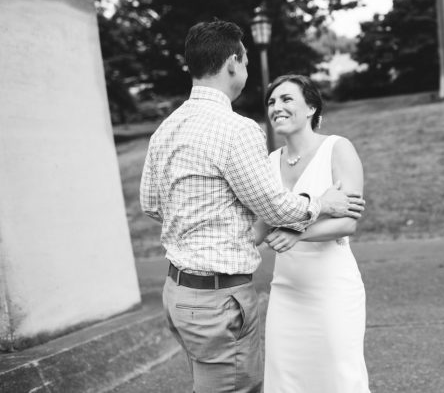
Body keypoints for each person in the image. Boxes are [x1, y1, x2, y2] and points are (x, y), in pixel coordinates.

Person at [139, 21, 365, 393]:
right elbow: (274, 209)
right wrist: (321, 203)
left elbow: (151, 204)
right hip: (219, 299)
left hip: (178, 294)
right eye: (244, 62)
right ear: (233, 63)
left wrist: (202, 222)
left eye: (286, 99)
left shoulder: (166, 128)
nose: (274, 105)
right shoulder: (237, 129)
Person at [253, 74, 370, 392]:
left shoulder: (338, 148)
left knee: (339, 378)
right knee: (285, 380)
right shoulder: (268, 163)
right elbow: (260, 226)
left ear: (311, 108)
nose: (277, 106)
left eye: (287, 99)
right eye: (272, 102)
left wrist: (296, 232)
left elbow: (348, 222)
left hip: (332, 288)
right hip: (286, 291)